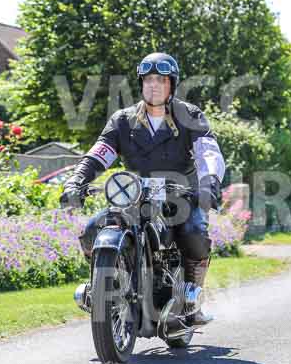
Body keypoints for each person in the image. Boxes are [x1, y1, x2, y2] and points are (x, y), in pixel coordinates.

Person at [59, 52, 226, 326]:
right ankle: (100, 287)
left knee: (195, 233)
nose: (154, 85)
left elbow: (208, 151)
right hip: (131, 198)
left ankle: (192, 300)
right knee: (91, 230)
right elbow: (99, 153)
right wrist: (77, 180)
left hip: (179, 197)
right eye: (148, 80)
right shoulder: (122, 120)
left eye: (161, 80)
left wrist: (210, 183)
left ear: (172, 84)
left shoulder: (189, 115)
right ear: (141, 83)